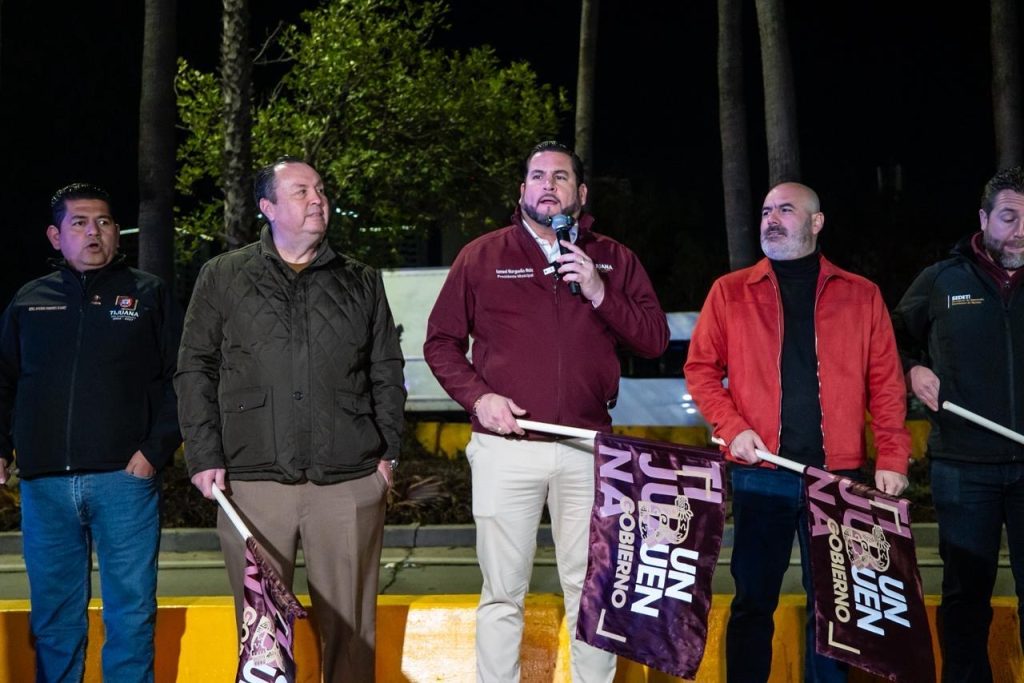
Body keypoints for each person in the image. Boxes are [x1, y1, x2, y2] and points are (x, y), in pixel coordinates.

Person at [424, 140, 669, 682]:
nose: (548, 186)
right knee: (502, 592)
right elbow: (440, 343)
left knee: (592, 590)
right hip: (506, 448)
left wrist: (600, 290)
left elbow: (653, 340)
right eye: (538, 177)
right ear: (522, 191)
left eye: (560, 177)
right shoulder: (482, 256)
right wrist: (479, 398)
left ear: (580, 193)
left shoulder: (614, 258)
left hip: (587, 448)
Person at [175, 157, 405, 681]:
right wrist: (204, 455)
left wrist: (388, 455)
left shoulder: (361, 280)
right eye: (301, 191)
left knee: (351, 635)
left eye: (320, 190)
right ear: (268, 207)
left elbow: (386, 371)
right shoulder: (223, 276)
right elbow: (194, 368)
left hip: (348, 480)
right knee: (262, 633)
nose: (317, 199)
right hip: (252, 481)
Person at [684, 182, 911, 682]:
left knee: (835, 612)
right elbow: (700, 369)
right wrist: (733, 427)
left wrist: (892, 457)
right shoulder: (730, 291)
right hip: (761, 474)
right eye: (766, 210)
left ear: (816, 222)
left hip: (838, 478)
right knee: (752, 602)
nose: (771, 219)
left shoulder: (862, 294)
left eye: (785, 210)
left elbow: (887, 384)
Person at [0, 183, 181, 682]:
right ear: (55, 236)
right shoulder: (29, 300)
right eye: (78, 223)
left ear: (116, 232)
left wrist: (154, 452)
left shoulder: (148, 294)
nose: (93, 231)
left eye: (103, 221)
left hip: (125, 481)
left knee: (131, 615)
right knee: (54, 620)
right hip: (44, 485)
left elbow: (182, 378)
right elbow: (4, 379)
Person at [892, 166, 1024, 682]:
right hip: (963, 468)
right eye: (1009, 217)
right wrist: (912, 368)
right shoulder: (942, 280)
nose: (1020, 231)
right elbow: (889, 338)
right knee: (965, 599)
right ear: (984, 219)